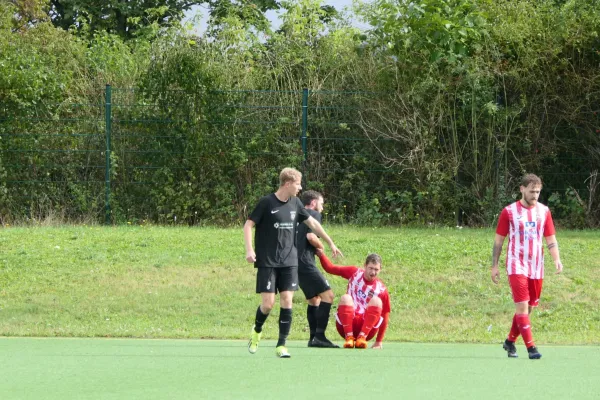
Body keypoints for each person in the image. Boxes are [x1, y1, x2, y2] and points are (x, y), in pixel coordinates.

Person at [244, 167, 343, 358]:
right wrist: (249, 250)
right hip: (268, 261)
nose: (300, 187)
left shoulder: (296, 203)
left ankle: (281, 345)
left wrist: (330, 242)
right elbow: (248, 224)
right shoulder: (266, 202)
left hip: (289, 261)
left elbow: (313, 224)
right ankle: (257, 331)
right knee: (268, 304)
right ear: (288, 183)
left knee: (287, 300)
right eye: (298, 184)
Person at [491, 173, 564, 360]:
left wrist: (556, 259)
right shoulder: (509, 212)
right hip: (517, 264)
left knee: (530, 308)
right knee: (522, 307)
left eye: (538, 192)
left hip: (536, 265)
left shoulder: (544, 211)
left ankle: (509, 342)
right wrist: (495, 266)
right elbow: (499, 241)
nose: (535, 195)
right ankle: (531, 348)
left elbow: (550, 239)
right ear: (522, 189)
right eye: (532, 191)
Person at [315, 249, 391, 349]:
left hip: (367, 327)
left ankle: (362, 338)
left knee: (376, 301)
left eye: (376, 269)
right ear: (365, 266)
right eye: (370, 268)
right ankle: (349, 338)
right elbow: (330, 268)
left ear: (380, 269)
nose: (373, 272)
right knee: (345, 298)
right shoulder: (354, 273)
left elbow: (385, 316)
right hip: (347, 324)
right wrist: (321, 254)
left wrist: (379, 341)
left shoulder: (381, 289)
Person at [297, 190, 338, 348]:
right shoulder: (312, 214)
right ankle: (320, 336)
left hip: (295, 264)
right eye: (321, 203)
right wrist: (323, 246)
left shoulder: (297, 215)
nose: (322, 207)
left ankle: (313, 338)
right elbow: (311, 237)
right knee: (328, 295)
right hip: (306, 262)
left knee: (314, 300)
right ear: (313, 203)